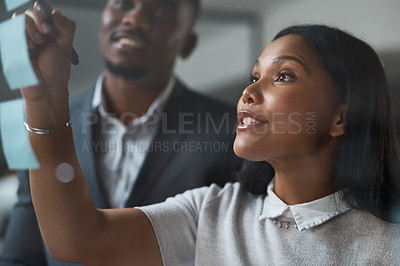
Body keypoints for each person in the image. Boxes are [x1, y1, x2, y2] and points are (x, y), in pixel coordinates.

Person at [13, 4, 400, 264]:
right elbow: (77, 238)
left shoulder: (386, 249)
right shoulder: (212, 213)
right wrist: (45, 101)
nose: (248, 93)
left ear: (339, 117)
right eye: (254, 76)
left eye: (283, 75)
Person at [0, 0, 243, 265]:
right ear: (104, 18)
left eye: (159, 12)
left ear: (188, 44)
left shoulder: (232, 130)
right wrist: (43, 102)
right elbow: (21, 255)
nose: (134, 20)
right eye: (123, 4)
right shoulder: (41, 122)